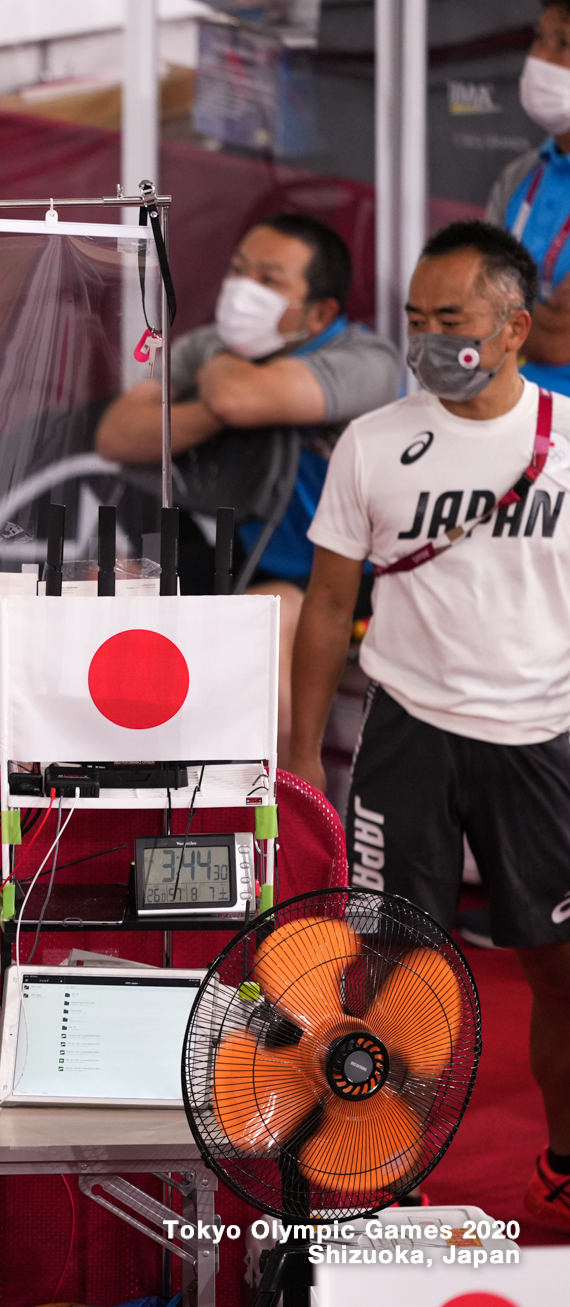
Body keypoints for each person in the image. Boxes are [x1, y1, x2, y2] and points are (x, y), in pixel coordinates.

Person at [290, 221, 570, 1231]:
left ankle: (564, 1165)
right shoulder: (373, 441)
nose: (426, 339)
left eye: (448, 319)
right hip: (405, 732)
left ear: (511, 328)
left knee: (558, 972)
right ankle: (382, 1178)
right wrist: (297, 751)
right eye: (414, 319)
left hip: (542, 738)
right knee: (402, 971)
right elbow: (327, 606)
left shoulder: (565, 442)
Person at [96, 214, 401, 752]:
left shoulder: (366, 361)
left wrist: (221, 391)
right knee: (113, 580)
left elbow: (239, 396)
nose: (243, 290)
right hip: (245, 553)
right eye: (238, 271)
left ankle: (274, 811)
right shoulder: (213, 348)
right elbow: (118, 435)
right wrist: (218, 406)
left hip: (348, 576)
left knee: (273, 616)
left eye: (269, 279)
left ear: (321, 311)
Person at [487, 0, 570, 391]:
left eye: (564, 44)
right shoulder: (521, 174)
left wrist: (500, 311)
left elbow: (558, 343)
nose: (539, 57)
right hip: (504, 401)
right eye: (539, 38)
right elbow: (471, 305)